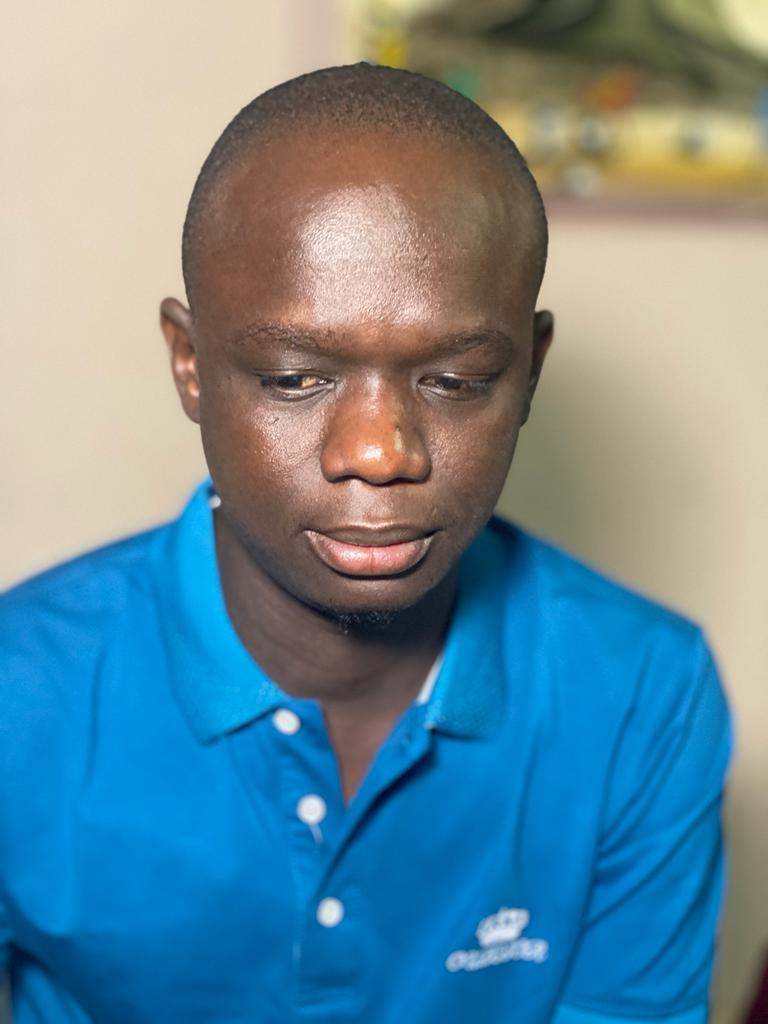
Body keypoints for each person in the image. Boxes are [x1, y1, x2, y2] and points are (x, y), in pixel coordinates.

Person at [0, 64, 730, 1024]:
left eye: (457, 381)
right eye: (294, 378)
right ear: (190, 363)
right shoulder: (20, 692)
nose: (380, 454)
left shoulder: (642, 694)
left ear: (529, 371)